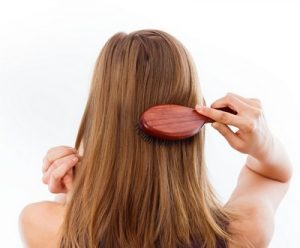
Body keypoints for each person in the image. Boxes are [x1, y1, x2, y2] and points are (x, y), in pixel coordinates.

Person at [18, 29, 292, 248]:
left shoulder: (44, 228)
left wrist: (77, 196)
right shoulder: (244, 233)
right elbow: (274, 176)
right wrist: (264, 143)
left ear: (101, 121)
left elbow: (82, 229)